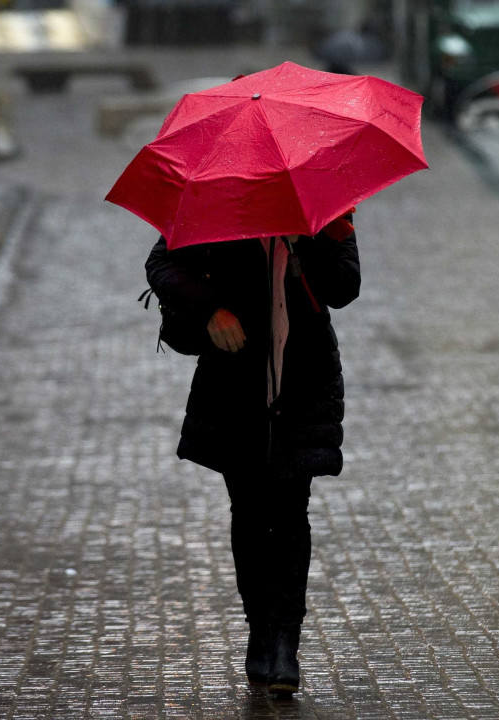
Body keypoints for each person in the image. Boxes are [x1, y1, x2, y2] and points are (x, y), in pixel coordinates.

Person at [144, 211, 361, 697]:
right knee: (248, 510)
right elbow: (160, 263)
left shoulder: (324, 209)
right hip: (235, 385)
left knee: (288, 511)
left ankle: (286, 641)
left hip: (302, 382)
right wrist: (211, 309)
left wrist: (311, 241)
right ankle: (259, 630)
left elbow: (345, 286)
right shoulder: (219, 206)